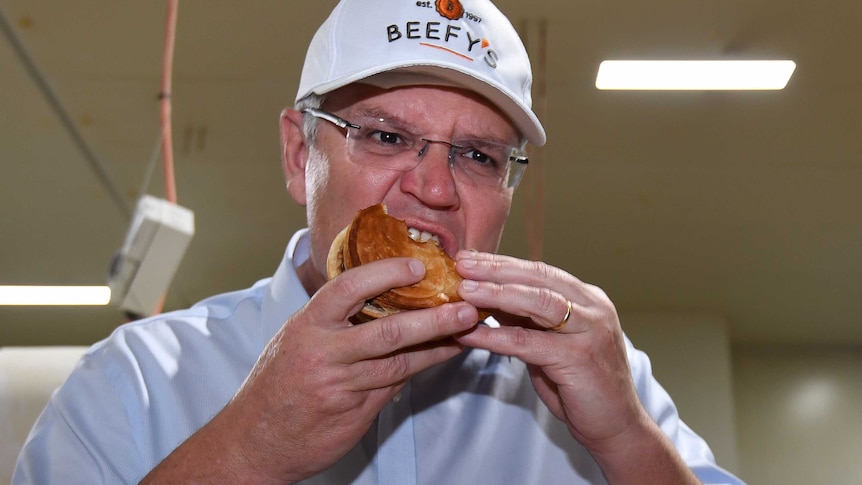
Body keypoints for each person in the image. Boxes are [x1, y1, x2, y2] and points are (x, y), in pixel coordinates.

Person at [15, 1, 745, 483]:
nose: (433, 187)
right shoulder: (135, 384)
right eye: (387, 135)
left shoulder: (598, 384)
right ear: (301, 155)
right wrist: (246, 450)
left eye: (479, 155)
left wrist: (627, 440)